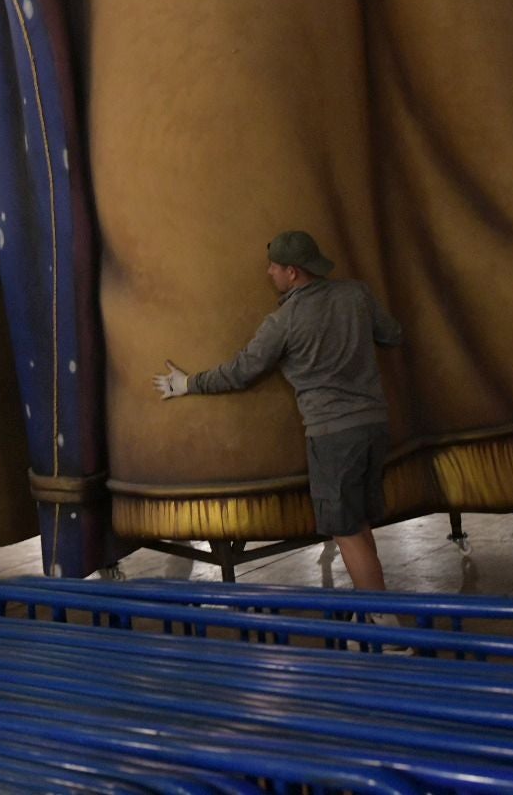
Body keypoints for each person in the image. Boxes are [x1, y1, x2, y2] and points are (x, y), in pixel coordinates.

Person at [152, 230, 403, 594]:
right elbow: (393, 334)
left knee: (346, 532)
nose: (268, 272)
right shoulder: (356, 294)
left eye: (274, 267)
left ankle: (390, 633)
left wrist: (188, 383)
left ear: (293, 272)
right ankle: (378, 611)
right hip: (375, 426)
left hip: (332, 436)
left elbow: (242, 371)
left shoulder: (283, 322)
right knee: (359, 524)